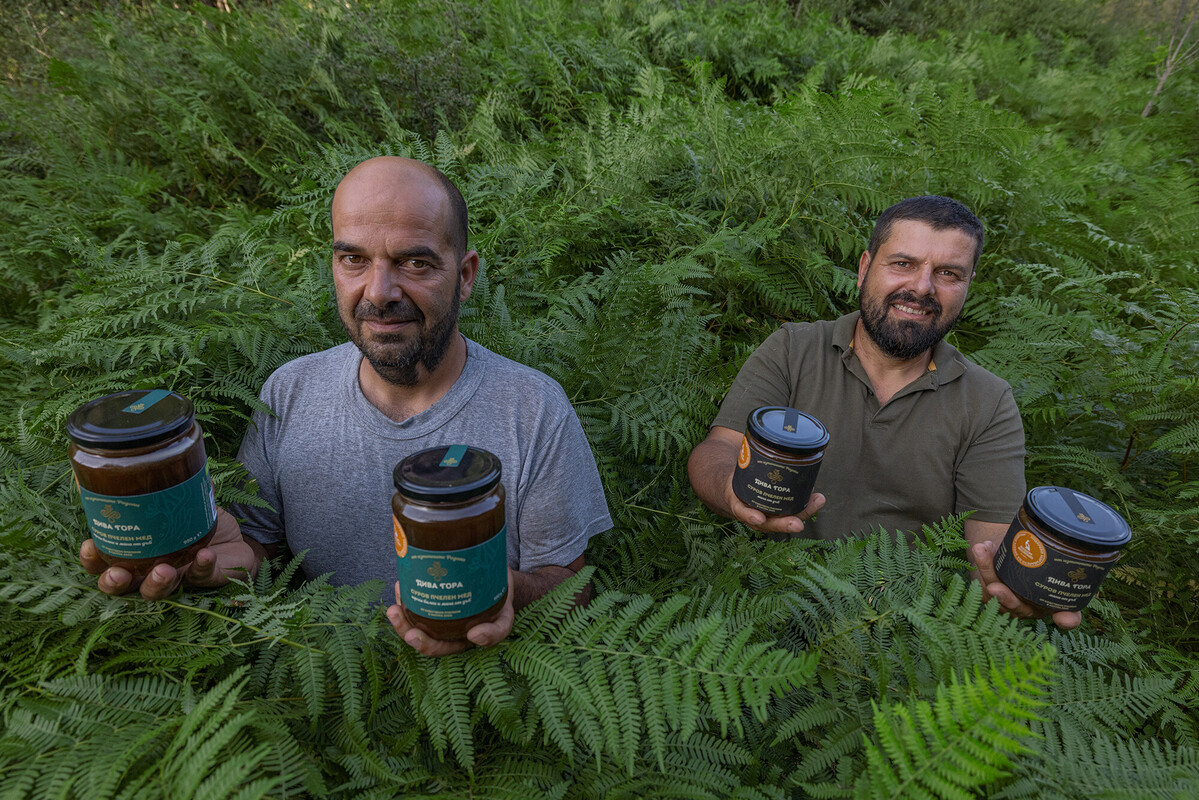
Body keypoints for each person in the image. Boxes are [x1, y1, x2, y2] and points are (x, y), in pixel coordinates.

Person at [81, 156, 614, 655]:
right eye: (354, 259)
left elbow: (571, 587)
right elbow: (262, 552)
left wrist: (495, 589)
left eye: (416, 262)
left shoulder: (532, 407)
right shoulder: (289, 391)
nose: (379, 292)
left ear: (466, 274)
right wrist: (221, 560)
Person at [687, 196, 1080, 630]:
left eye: (948, 273)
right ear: (864, 268)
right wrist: (732, 492)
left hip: (894, 633)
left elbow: (987, 549)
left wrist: (1017, 586)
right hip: (760, 610)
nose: (923, 288)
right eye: (903, 263)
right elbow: (719, 450)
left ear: (968, 286)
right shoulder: (792, 350)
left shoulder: (988, 401)